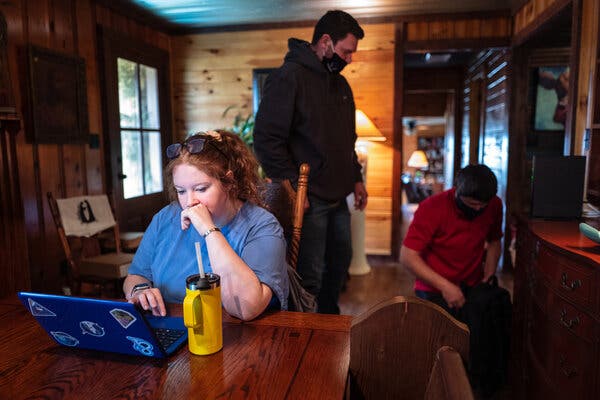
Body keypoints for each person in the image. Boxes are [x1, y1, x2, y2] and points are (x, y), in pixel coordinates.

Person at [253, 10, 367, 314]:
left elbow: (348, 140)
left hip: (338, 196)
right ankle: (305, 339)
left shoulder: (341, 85)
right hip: (309, 198)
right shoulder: (289, 77)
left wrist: (357, 178)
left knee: (339, 266)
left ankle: (330, 329)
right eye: (346, 51)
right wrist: (292, 188)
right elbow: (265, 139)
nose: (349, 59)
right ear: (326, 42)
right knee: (310, 276)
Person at [124, 130, 289, 321]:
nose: (189, 202)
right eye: (181, 191)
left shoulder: (261, 226)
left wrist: (209, 231)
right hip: (171, 326)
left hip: (235, 335)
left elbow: (245, 309)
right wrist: (140, 290)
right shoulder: (165, 218)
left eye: (201, 189)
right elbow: (136, 275)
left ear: (228, 182)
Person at [400, 164, 503, 314]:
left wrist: (488, 276)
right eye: (472, 204)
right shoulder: (432, 207)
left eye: (483, 206)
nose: (478, 209)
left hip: (473, 285)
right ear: (457, 192)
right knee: (440, 335)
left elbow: (494, 241)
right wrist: (445, 286)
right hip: (433, 287)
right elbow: (407, 256)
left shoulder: (494, 204)